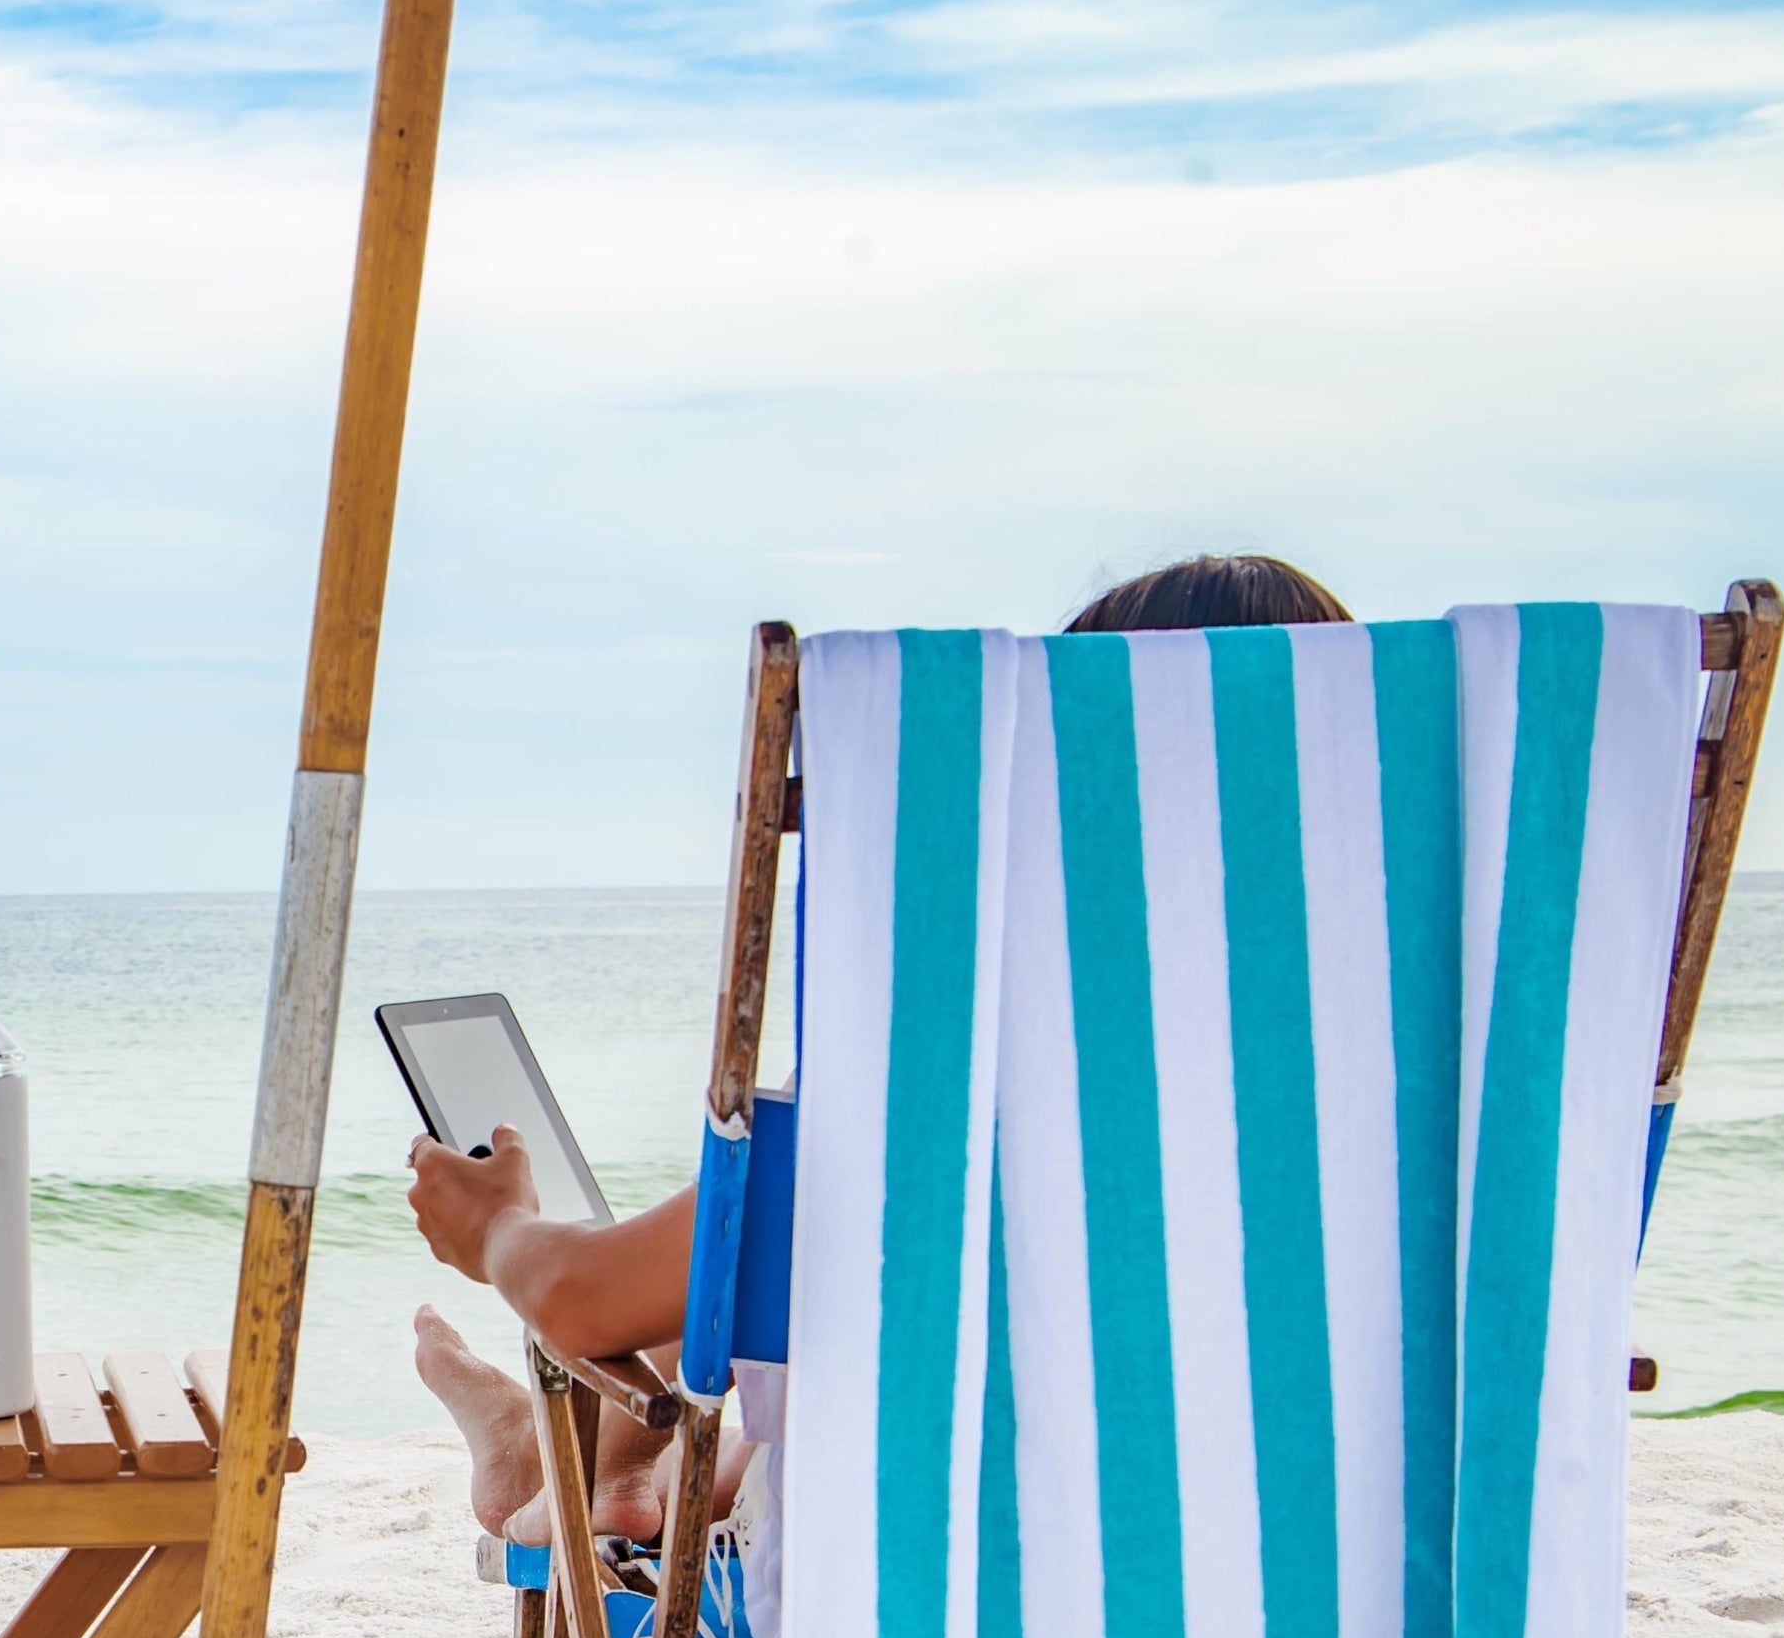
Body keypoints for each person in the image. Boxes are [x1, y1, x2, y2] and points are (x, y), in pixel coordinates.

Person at [407, 552, 1356, 1563]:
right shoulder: (1435, 1102)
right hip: (1342, 1618)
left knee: (767, 1285)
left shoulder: (951, 1081)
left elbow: (579, 1298)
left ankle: (576, 1468)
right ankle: (593, 1465)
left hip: (959, 1626)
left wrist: (497, 1227)